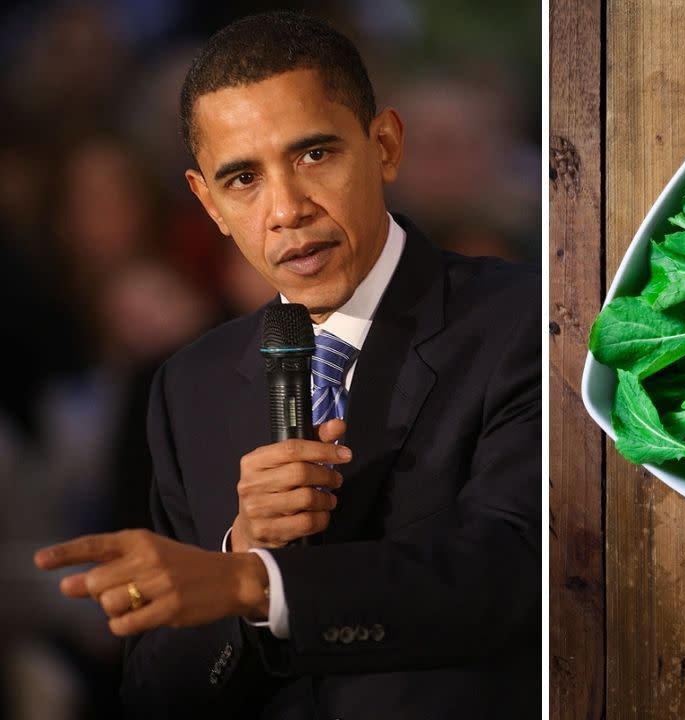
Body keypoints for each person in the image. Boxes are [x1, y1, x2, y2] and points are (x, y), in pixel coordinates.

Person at [33, 10, 540, 719]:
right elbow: (155, 691)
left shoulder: (525, 321)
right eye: (242, 178)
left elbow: (514, 573)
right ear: (207, 203)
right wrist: (240, 549)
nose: (286, 209)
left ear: (386, 145)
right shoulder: (189, 387)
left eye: (313, 155)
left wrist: (256, 582)